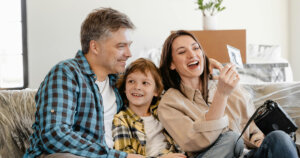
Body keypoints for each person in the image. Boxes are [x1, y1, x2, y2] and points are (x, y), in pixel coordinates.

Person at [157, 30, 298, 158]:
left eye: (196, 48)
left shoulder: (230, 87)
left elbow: (253, 127)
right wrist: (221, 95)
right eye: (182, 52)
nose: (192, 54)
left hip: (248, 154)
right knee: (231, 140)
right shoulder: (169, 103)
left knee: (279, 137)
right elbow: (194, 142)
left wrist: (259, 140)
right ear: (171, 64)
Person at [24, 8, 141, 158]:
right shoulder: (66, 73)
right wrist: (119, 156)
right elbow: (54, 135)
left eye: (129, 45)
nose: (129, 53)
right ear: (95, 47)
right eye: (120, 46)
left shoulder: (119, 81)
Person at [112, 58, 186, 158]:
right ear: (124, 88)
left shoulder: (161, 109)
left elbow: (181, 82)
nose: (137, 87)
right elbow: (125, 154)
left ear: (156, 91)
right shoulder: (121, 119)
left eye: (145, 83)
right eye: (131, 81)